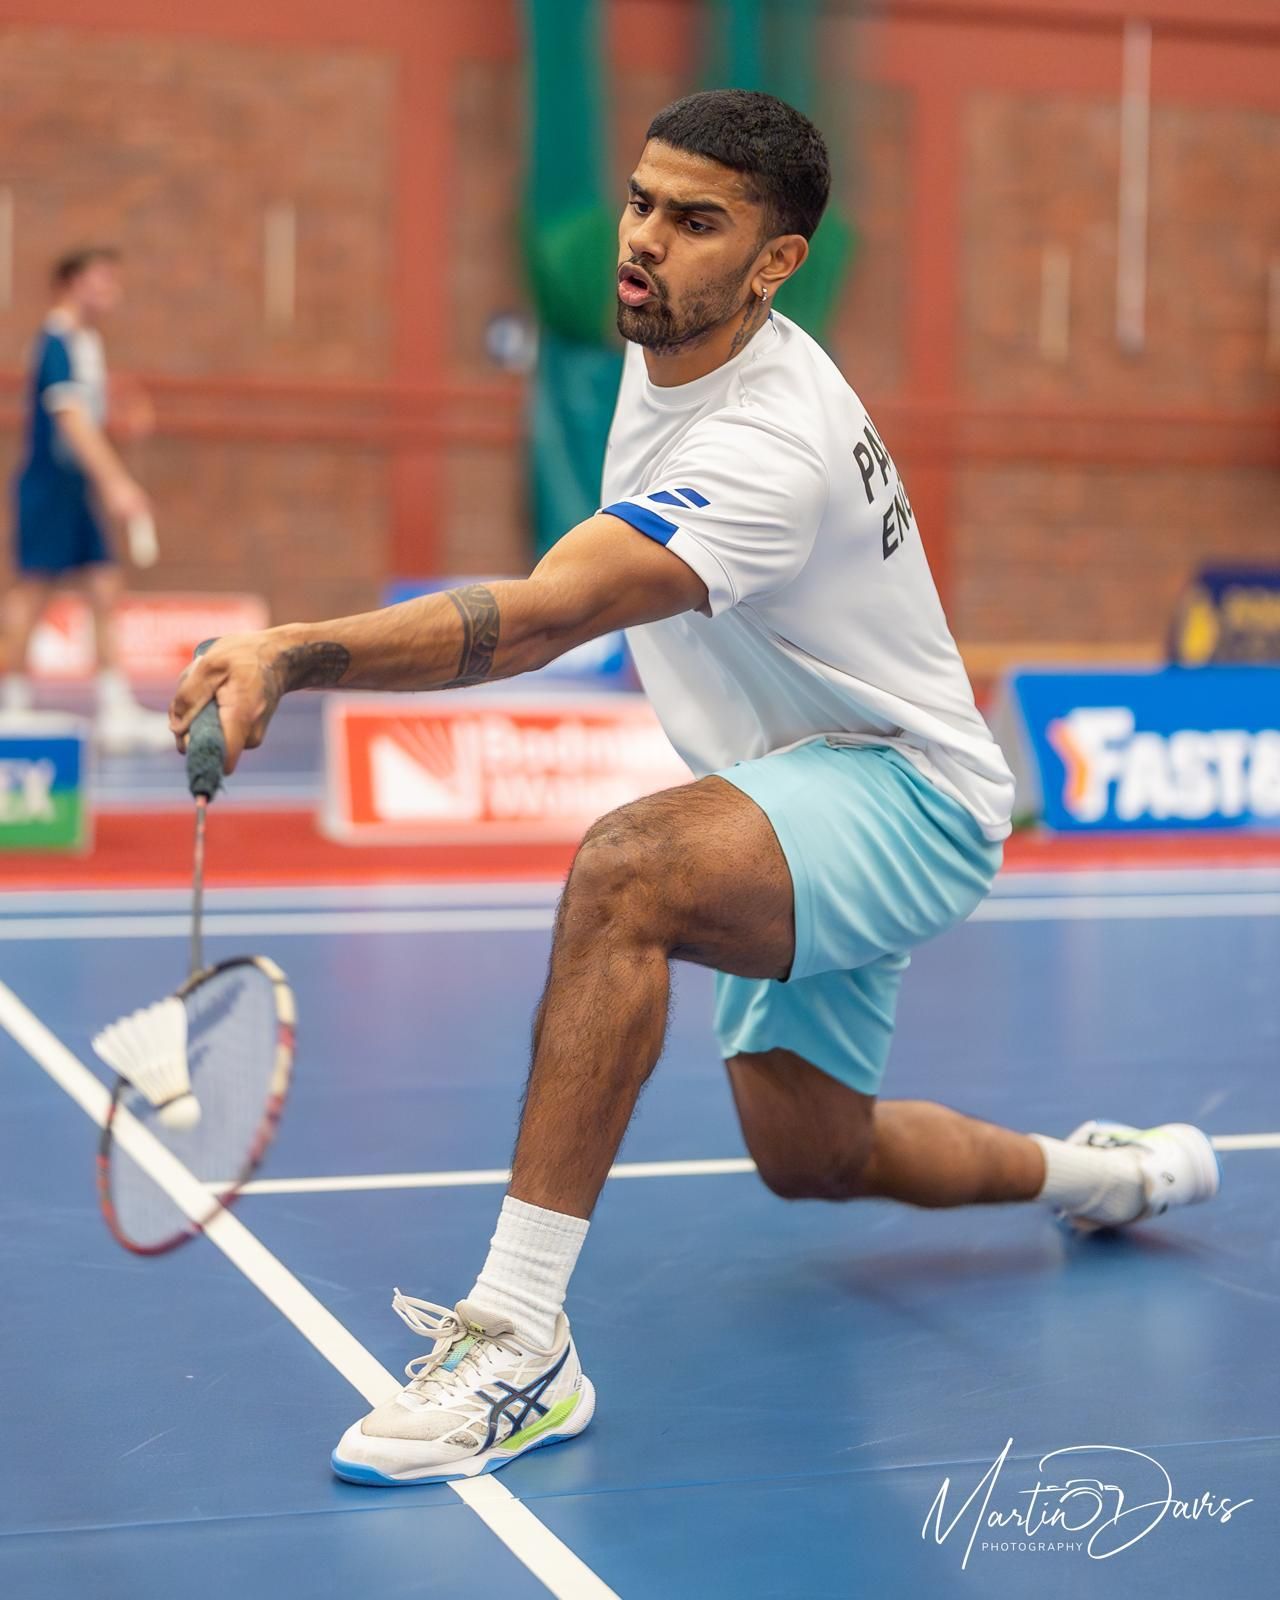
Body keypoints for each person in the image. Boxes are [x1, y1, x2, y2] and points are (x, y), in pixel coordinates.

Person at [169, 90, 1221, 1486]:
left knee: (630, 873)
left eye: (696, 221)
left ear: (776, 263)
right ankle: (1115, 1173)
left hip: (908, 792)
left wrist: (296, 651)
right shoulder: (674, 338)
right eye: (641, 202)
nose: (645, 241)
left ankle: (519, 1342)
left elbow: (544, 619)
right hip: (798, 780)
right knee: (814, 1153)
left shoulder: (767, 445)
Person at [4, 245, 167, 749]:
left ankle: (116, 706)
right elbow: (71, 421)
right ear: (71, 283)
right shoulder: (55, 341)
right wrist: (117, 482)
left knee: (104, 585)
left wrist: (119, 419)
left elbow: (90, 418)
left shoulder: (87, 344)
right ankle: (11, 702)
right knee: (33, 590)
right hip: (48, 486)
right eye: (100, 279)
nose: (111, 289)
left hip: (77, 488)